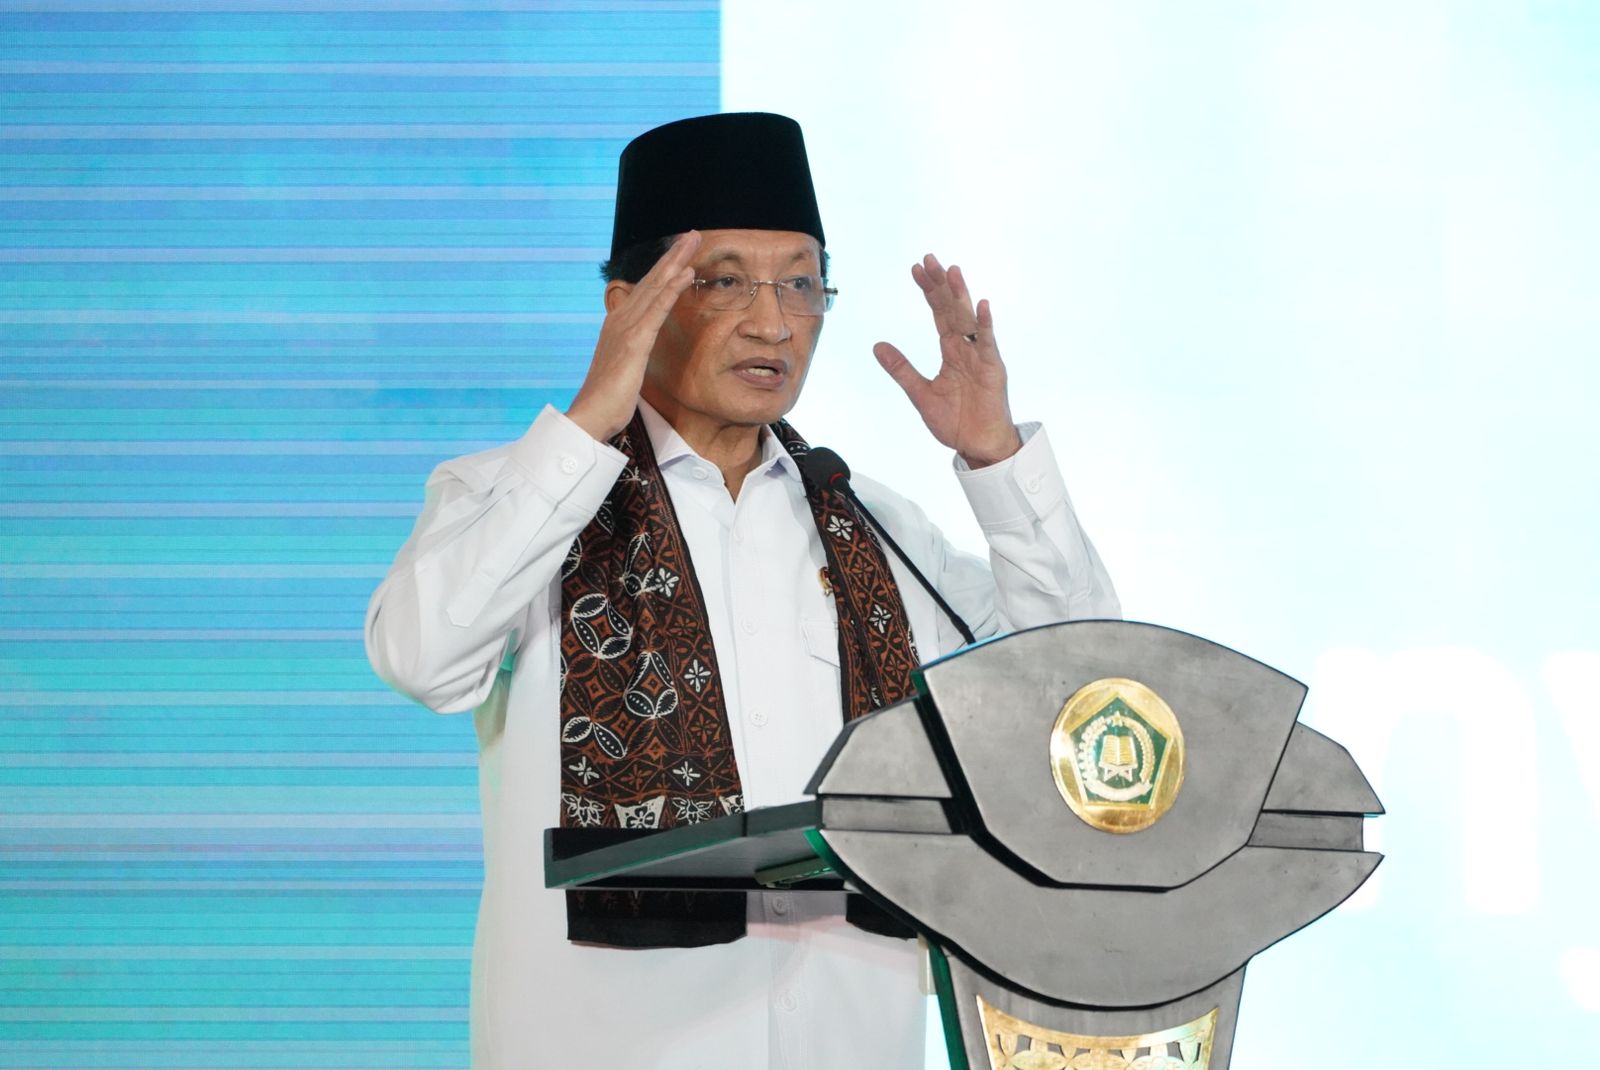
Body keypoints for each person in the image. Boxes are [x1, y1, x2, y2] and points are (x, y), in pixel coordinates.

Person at [365, 112, 1119, 1070]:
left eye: (801, 283)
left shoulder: (868, 523)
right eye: (724, 282)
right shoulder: (515, 498)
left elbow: (1078, 690)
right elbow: (422, 659)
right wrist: (586, 428)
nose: (774, 323)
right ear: (629, 305)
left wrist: (996, 459)